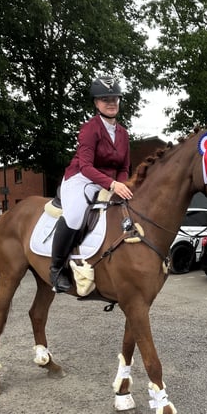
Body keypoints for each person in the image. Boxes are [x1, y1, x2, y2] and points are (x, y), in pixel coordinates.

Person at [49, 76, 134, 292]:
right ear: (96, 103)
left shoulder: (123, 133)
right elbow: (86, 166)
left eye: (114, 98)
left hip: (109, 182)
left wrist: (120, 185)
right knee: (76, 215)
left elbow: (124, 167)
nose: (111, 102)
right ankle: (56, 268)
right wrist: (113, 185)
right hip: (80, 178)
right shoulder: (90, 128)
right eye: (105, 99)